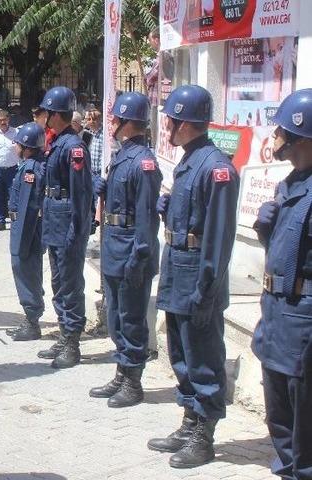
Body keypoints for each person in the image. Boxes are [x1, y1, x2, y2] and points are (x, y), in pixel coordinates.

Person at [147, 85, 239, 468]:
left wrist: (207, 288)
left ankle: (205, 434)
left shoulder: (217, 168)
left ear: (185, 122)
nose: (167, 126)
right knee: (181, 355)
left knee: (203, 357)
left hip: (198, 278)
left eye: (171, 120)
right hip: (177, 269)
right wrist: (167, 209)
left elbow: (218, 238)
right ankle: (189, 422)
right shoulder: (190, 160)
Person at [250, 88, 312, 480]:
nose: (274, 137)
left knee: (305, 427)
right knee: (280, 419)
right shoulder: (289, 184)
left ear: (301, 136)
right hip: (276, 317)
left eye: (281, 130)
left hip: (303, 323)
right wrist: (265, 232)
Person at [88, 92, 162, 408]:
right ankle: (122, 372)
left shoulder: (143, 162)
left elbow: (147, 216)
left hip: (131, 250)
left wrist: (140, 255)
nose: (112, 124)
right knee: (116, 316)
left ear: (129, 123)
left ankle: (133, 381)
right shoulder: (122, 156)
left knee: (131, 319)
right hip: (115, 246)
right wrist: (104, 188)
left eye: (117, 119)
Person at [36, 86, 94, 369]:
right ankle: (64, 333)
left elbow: (81, 194)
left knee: (70, 284)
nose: (43, 117)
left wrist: (77, 230)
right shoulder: (59, 142)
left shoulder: (73, 147)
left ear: (56, 115)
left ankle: (72, 341)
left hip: (67, 224)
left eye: (47, 112)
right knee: (59, 282)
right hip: (54, 222)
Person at [5, 122, 47, 342]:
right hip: (28, 228)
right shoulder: (33, 164)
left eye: (18, 144)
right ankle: (31, 318)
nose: (15, 147)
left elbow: (28, 207)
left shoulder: (30, 169)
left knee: (25, 270)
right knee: (28, 271)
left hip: (25, 229)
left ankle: (32, 322)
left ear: (27, 147)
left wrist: (20, 241)